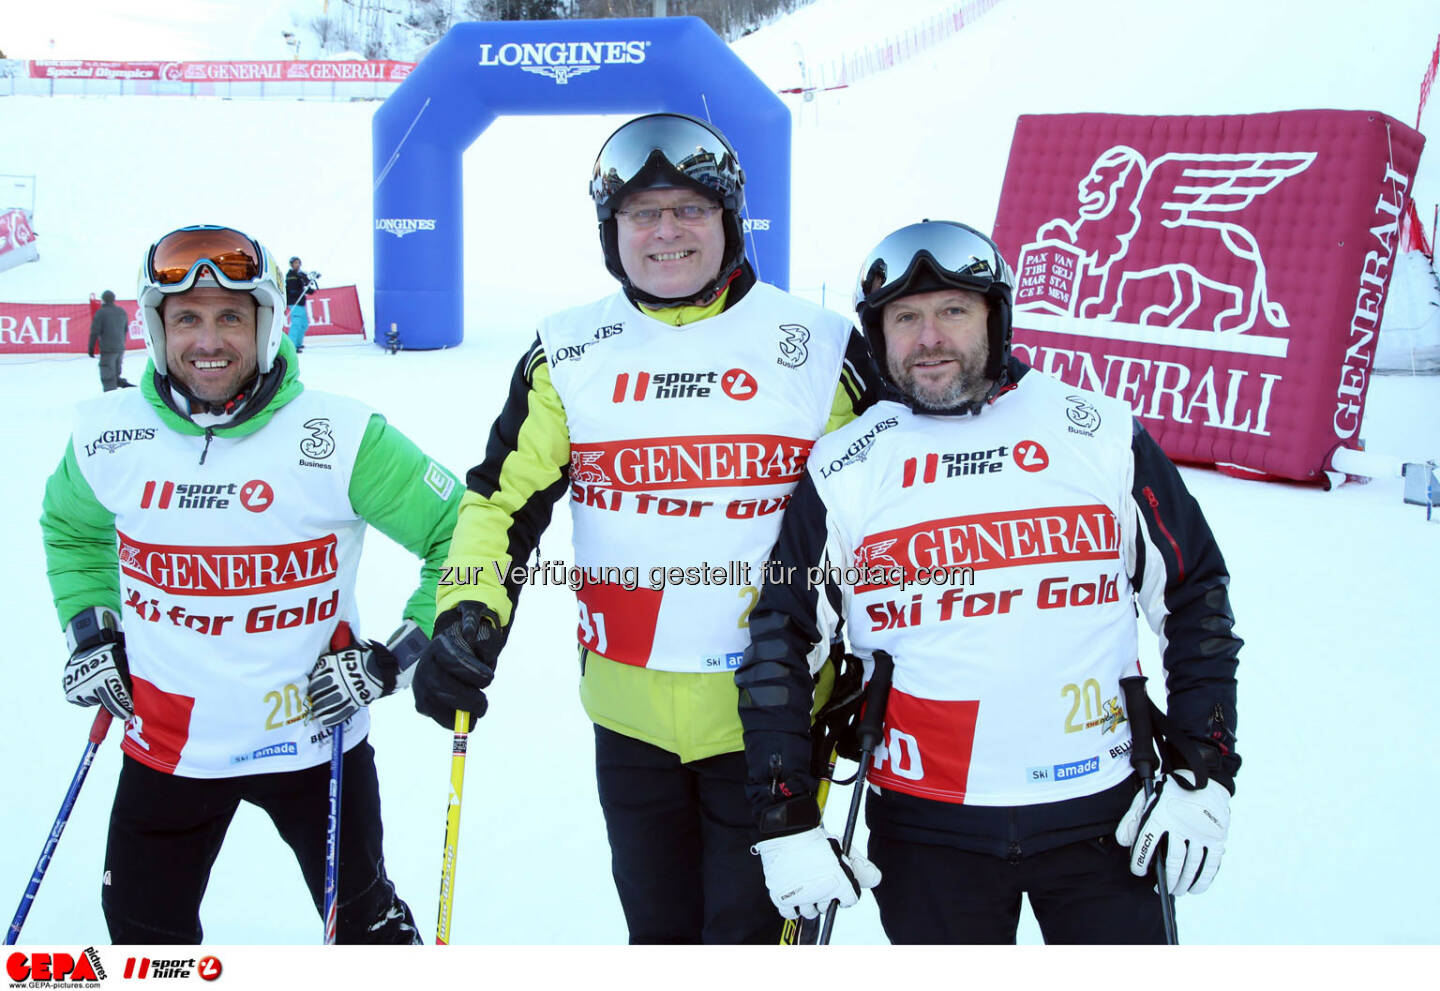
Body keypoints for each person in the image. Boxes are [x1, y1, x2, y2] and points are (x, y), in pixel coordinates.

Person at [410, 113, 878, 944]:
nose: (667, 231)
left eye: (690, 208)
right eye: (642, 213)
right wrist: (468, 613)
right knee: (657, 938)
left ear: (729, 219)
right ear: (611, 231)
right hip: (627, 720)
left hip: (770, 717)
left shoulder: (818, 347)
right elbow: (500, 501)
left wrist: (882, 667)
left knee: (747, 944)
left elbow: (891, 512)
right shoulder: (568, 350)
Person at [735, 220, 1242, 943]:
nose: (928, 337)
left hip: (1102, 818)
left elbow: (1196, 598)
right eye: (905, 318)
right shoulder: (846, 465)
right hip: (928, 829)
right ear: (878, 335)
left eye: (953, 310)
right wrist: (784, 814)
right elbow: (780, 639)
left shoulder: (1096, 432)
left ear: (994, 316)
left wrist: (1205, 767)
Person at [41, 224, 462, 944]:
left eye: (231, 315)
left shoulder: (338, 433)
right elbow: (71, 529)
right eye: (188, 318)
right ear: (156, 326)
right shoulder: (108, 435)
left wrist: (389, 659)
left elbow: (461, 533)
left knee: (365, 925)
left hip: (311, 735)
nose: (209, 340)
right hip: (169, 740)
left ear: (268, 325)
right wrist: (93, 629)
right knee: (143, 934)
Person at [88, 289, 132, 390]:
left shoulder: (101, 313)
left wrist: (91, 349)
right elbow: (125, 330)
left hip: (107, 350)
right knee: (116, 375)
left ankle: (111, 400)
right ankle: (125, 390)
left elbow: (94, 332)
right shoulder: (122, 312)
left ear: (103, 300)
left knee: (108, 377)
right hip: (120, 348)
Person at [285, 256, 316, 352]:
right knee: (296, 324)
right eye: (295, 263)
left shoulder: (301, 274)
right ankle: (291, 346)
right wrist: (301, 289)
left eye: (298, 263)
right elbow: (292, 289)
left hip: (301, 303)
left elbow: (307, 285)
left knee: (304, 324)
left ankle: (298, 343)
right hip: (294, 302)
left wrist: (311, 283)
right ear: (291, 264)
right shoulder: (291, 275)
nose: (297, 265)